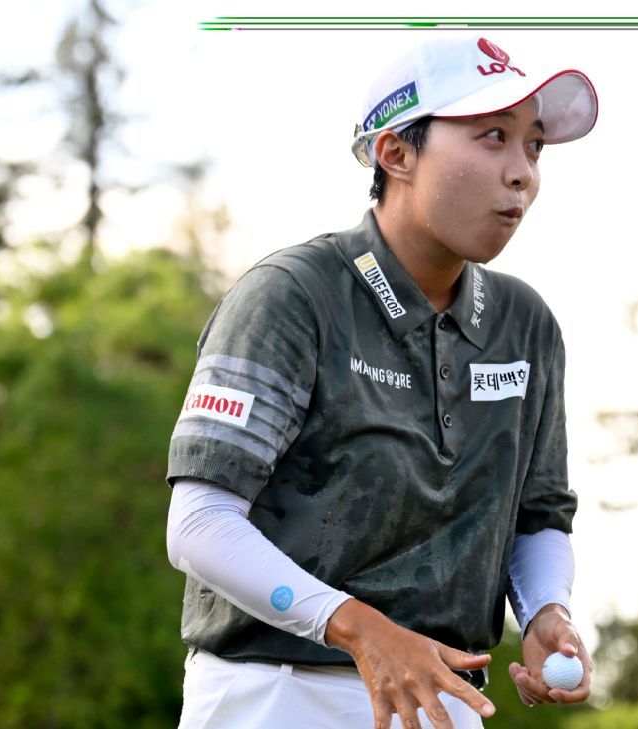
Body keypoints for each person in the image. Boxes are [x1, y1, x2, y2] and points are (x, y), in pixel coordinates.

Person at [164, 33, 599, 729]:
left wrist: (548, 609)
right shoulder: (292, 295)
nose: (522, 172)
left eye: (534, 145)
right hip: (272, 694)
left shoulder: (526, 324)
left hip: (446, 697)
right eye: (493, 136)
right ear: (396, 153)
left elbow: (538, 518)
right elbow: (199, 525)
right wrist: (361, 629)